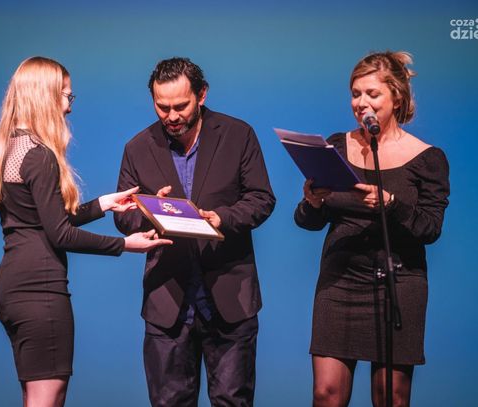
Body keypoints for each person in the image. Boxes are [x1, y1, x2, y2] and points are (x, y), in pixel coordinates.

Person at [0, 56, 172, 407]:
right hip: (41, 292)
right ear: (45, 96)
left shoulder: (11, 149)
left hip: (12, 288)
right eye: (67, 95)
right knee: (46, 400)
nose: (69, 106)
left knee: (33, 397)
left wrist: (104, 204)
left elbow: (42, 221)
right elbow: (60, 235)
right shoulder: (40, 156)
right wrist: (125, 244)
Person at [114, 57, 275, 406]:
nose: (172, 116)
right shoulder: (137, 148)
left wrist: (222, 218)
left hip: (230, 298)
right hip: (167, 303)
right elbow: (124, 218)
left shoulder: (238, 135)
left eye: (181, 106)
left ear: (202, 95)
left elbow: (262, 199)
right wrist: (150, 213)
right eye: (162, 107)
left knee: (233, 401)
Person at [294, 51, 450, 407]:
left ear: (397, 97)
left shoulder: (427, 159)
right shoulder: (336, 146)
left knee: (390, 397)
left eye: (371, 93)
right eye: (355, 93)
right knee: (326, 393)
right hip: (340, 282)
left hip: (398, 284)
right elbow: (307, 221)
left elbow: (430, 228)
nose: (360, 102)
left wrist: (390, 204)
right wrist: (312, 203)